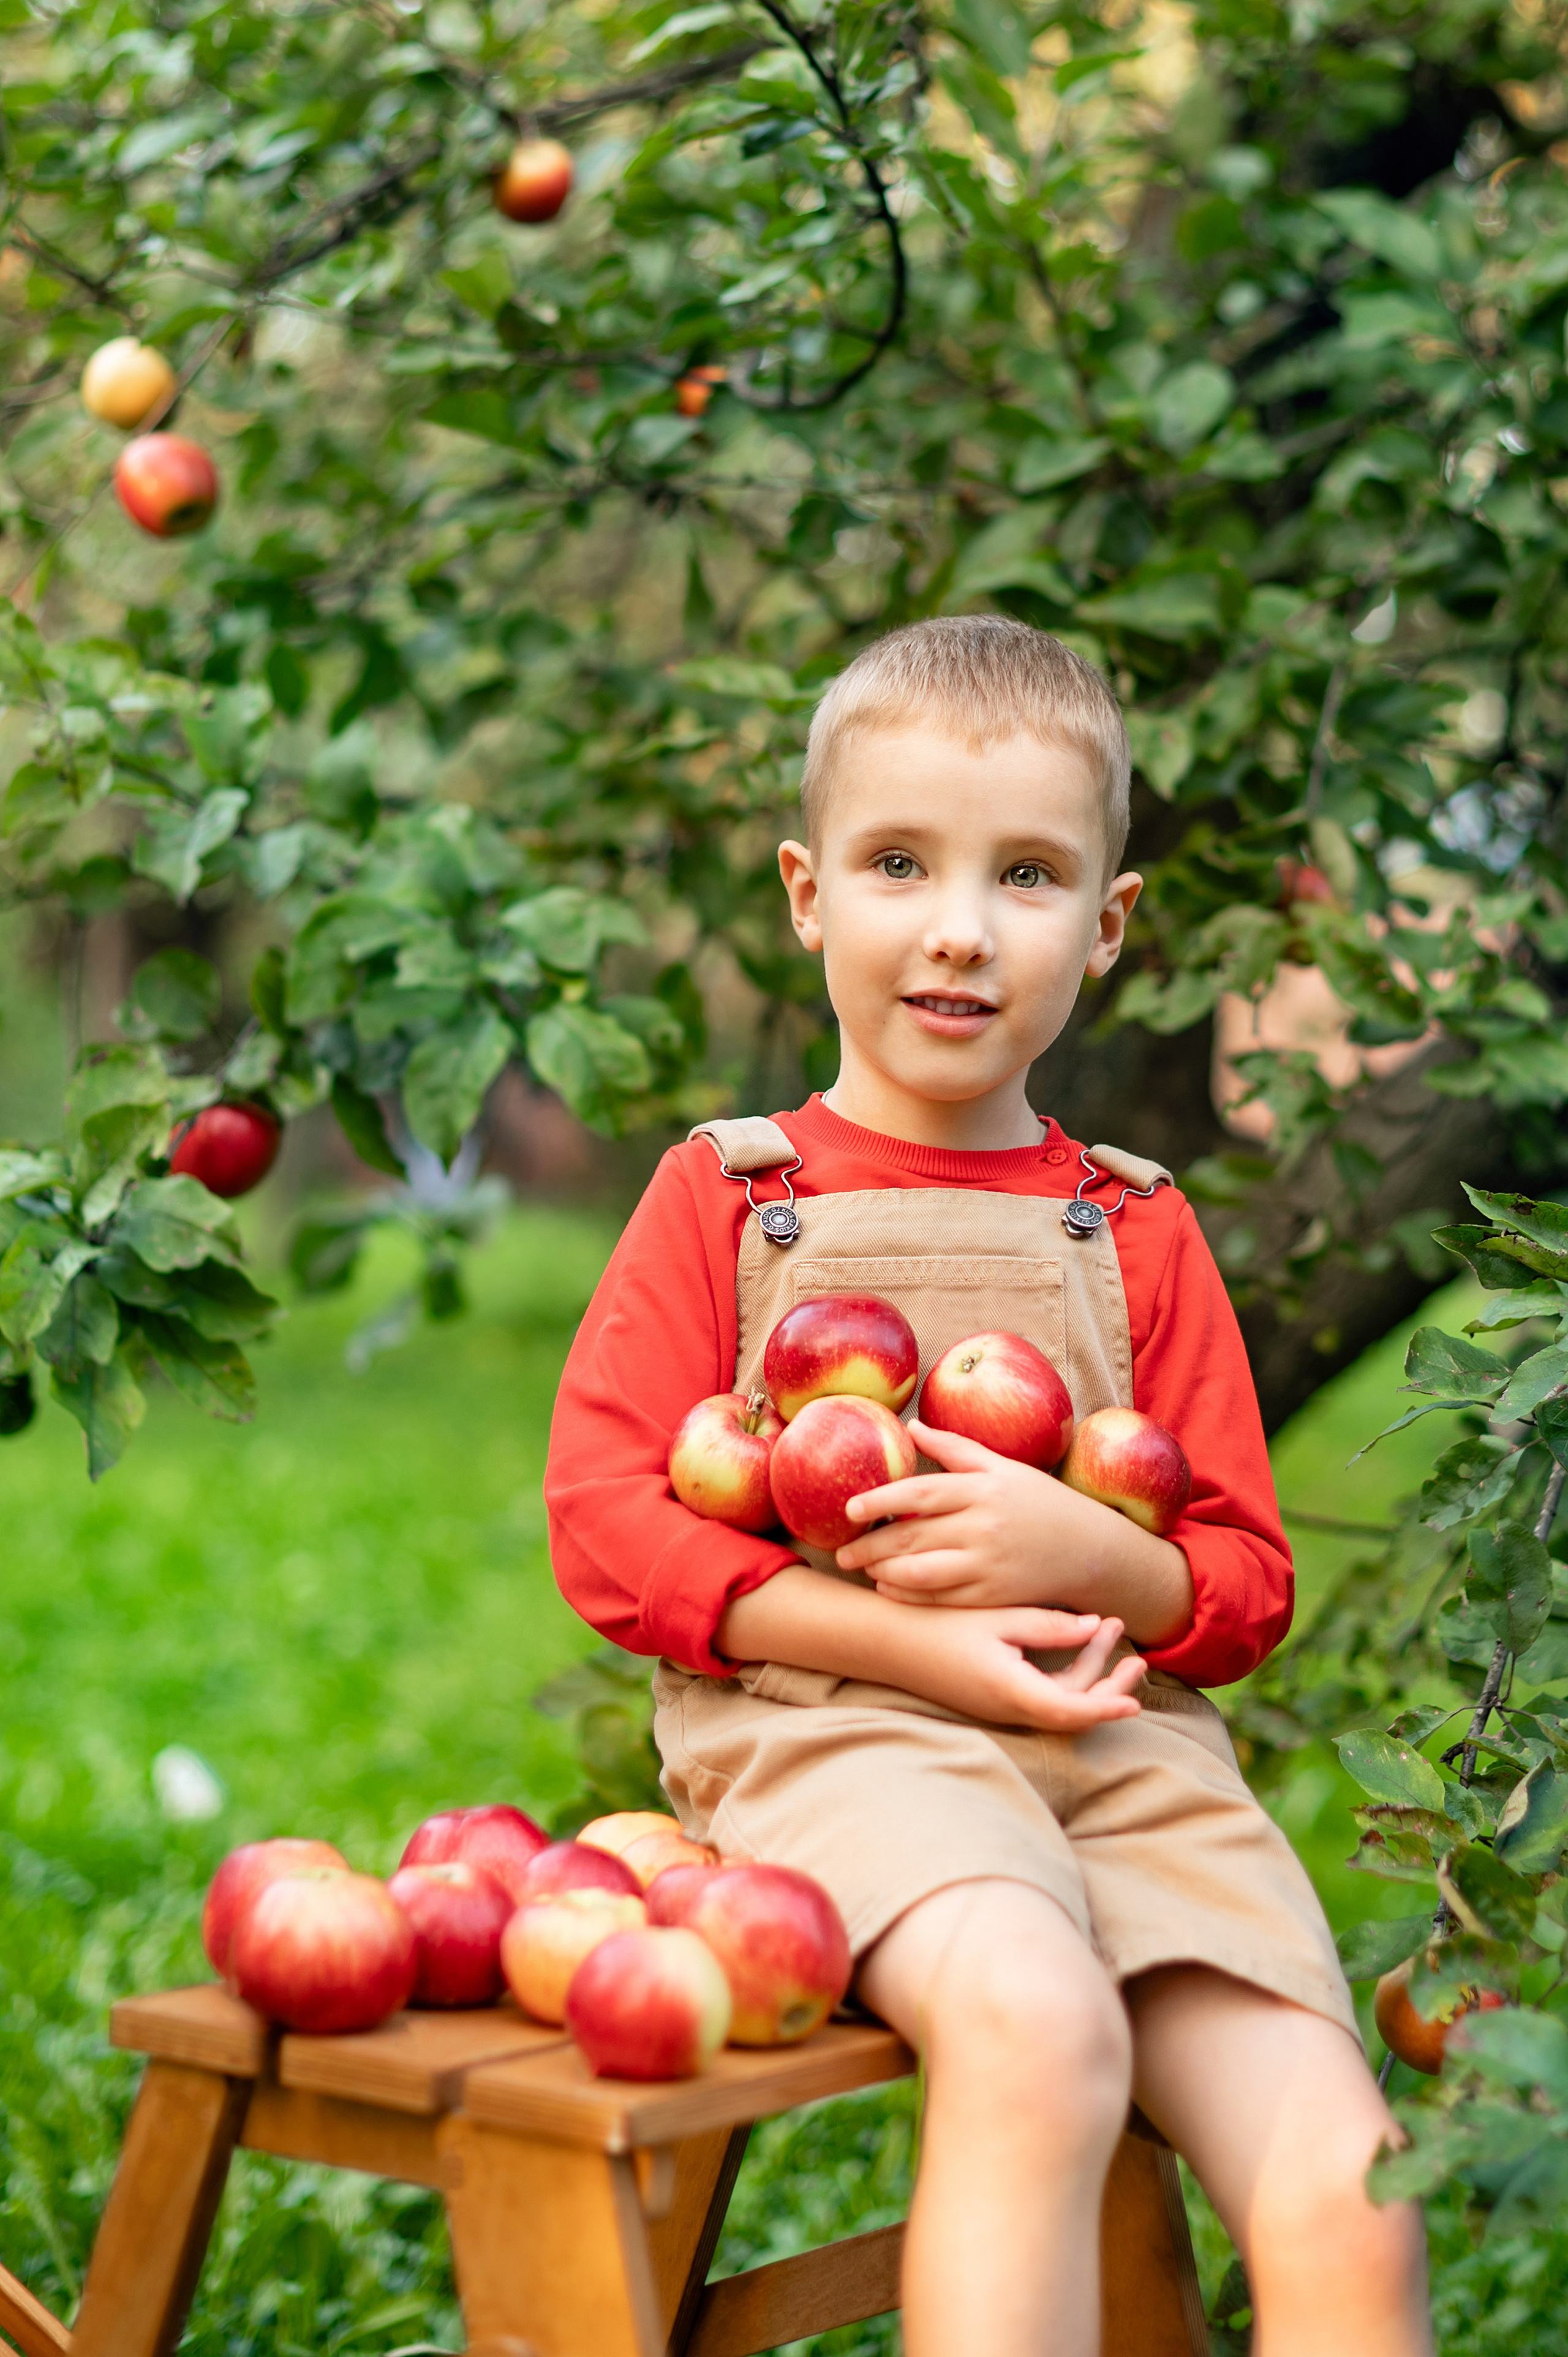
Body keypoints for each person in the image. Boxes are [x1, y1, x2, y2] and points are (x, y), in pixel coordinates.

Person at [545, 616, 1430, 2357]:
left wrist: (1092, 1553)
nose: (960, 927)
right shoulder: (733, 1198)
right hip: (837, 1738)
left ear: (1107, 926)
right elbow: (608, 1525)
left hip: (1123, 1754)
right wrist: (922, 1648)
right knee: (1041, 2029)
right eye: (900, 864)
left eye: (1027, 875)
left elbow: (1243, 1584)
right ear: (808, 895)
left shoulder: (1134, 1224)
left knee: (1352, 2188)